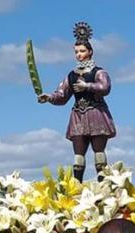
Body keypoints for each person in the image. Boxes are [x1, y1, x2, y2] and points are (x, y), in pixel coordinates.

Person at [38, 22, 116, 181]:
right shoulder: (72, 75)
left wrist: (87, 86)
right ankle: (76, 187)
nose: (79, 54)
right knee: (78, 156)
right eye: (76, 52)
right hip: (78, 116)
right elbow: (62, 94)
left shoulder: (99, 72)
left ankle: (103, 186)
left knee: (99, 153)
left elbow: (105, 87)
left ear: (90, 52)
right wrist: (49, 97)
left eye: (82, 51)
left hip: (96, 113)